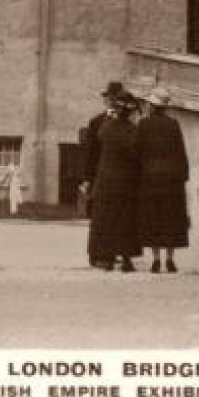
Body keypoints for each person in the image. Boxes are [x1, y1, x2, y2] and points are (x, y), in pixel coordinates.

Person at [135, 89, 190, 274]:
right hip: (172, 179)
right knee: (171, 218)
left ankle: (156, 259)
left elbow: (137, 151)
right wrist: (183, 176)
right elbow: (181, 152)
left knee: (153, 218)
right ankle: (170, 259)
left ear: (152, 106)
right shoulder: (174, 125)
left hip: (150, 178)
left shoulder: (143, 125)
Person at [88, 90, 143, 272]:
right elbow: (136, 155)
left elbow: (100, 141)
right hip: (126, 180)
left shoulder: (106, 128)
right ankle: (126, 258)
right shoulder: (132, 131)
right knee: (126, 218)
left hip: (105, 179)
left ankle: (106, 257)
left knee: (105, 219)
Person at [81, 83, 126, 267]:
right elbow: (90, 153)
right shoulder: (96, 122)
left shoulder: (126, 123)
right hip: (100, 175)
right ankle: (96, 254)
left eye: (116, 98)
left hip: (118, 176)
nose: (112, 101)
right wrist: (87, 178)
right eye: (110, 97)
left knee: (116, 215)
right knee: (98, 217)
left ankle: (112, 251)